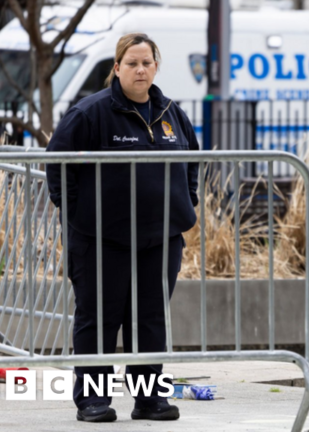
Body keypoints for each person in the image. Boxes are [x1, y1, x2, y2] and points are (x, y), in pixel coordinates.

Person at [46, 33, 199, 423]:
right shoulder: (90, 113)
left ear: (156, 67)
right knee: (99, 318)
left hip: (161, 238)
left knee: (150, 319)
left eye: (147, 62)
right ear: (117, 68)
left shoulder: (171, 113)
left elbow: (193, 159)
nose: (140, 69)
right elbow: (58, 166)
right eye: (132, 63)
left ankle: (149, 399)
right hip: (101, 239)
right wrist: (78, 215)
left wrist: (188, 200)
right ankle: (93, 400)